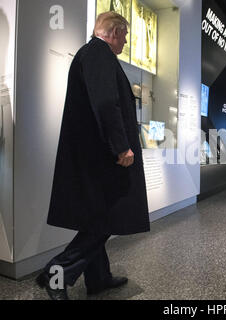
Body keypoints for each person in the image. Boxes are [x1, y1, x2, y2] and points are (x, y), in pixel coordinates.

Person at [36, 11, 150, 300]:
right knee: (105, 218)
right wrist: (121, 146)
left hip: (94, 158)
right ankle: (56, 273)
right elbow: (105, 103)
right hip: (102, 159)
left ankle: (98, 277)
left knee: (99, 219)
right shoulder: (99, 54)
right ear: (112, 32)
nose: (125, 42)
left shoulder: (93, 54)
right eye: (124, 35)